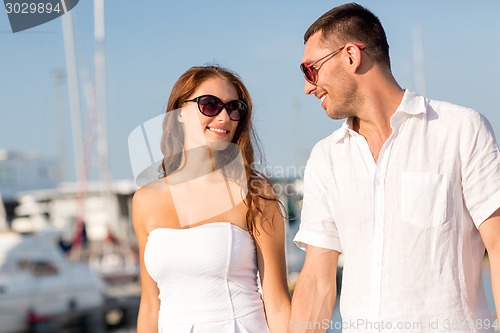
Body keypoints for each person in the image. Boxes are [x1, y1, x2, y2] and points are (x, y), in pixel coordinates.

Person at [290, 3, 500, 332]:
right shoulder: (325, 158)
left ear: (350, 56)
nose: (307, 87)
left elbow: (498, 245)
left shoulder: (461, 129)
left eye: (310, 70)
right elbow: (317, 280)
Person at [131, 65, 290, 333]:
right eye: (210, 104)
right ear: (179, 113)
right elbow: (149, 306)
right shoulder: (145, 200)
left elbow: (277, 302)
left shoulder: (255, 194)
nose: (224, 117)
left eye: (234, 107)